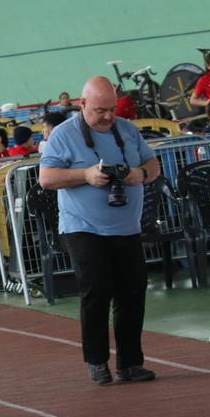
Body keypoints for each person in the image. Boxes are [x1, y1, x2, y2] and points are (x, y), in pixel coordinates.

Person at [39, 76, 159, 385]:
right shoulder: (63, 135)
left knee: (133, 292)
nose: (107, 116)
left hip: (126, 227)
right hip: (82, 227)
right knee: (97, 289)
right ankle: (97, 360)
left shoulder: (127, 130)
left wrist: (140, 173)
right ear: (82, 105)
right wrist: (85, 175)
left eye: (112, 109)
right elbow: (47, 178)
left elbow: (153, 164)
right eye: (99, 111)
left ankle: (131, 363)